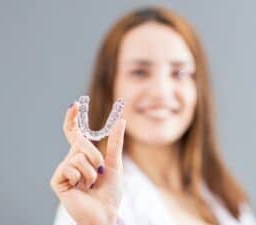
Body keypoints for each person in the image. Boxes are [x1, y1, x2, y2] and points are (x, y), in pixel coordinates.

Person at [50, 6, 256, 225]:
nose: (161, 91)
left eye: (179, 73)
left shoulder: (225, 198)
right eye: (140, 72)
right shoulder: (89, 204)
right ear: (110, 86)